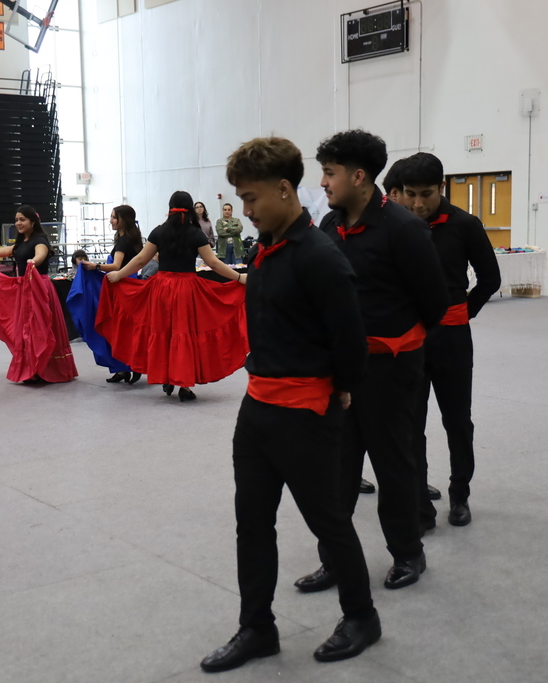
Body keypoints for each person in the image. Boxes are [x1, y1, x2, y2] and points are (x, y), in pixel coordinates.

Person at [200, 137, 379, 673]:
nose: (246, 211)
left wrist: (338, 389)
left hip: (305, 413)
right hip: (256, 412)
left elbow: (352, 339)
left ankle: (361, 616)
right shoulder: (267, 249)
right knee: (251, 523)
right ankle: (257, 627)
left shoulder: (320, 257)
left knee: (329, 521)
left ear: (284, 189)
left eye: (252, 199)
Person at [294, 130, 448, 594]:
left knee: (393, 464)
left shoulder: (403, 229)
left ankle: (407, 553)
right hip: (339, 372)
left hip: (390, 370)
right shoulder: (328, 229)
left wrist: (396, 345)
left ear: (358, 176)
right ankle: (337, 559)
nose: (322, 183)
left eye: (329, 172)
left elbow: (434, 304)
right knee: (337, 470)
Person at [399, 153, 502, 528]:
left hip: (452, 338)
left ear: (441, 188)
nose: (418, 203)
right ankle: (418, 492)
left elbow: (490, 278)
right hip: (409, 340)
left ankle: (460, 494)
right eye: (410, 194)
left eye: (426, 194)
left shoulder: (465, 225)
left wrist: (463, 312)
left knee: (457, 420)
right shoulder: (401, 226)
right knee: (412, 422)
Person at [97, 190, 247, 402]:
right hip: (188, 289)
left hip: (161, 289)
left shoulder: (159, 231)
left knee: (164, 332)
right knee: (184, 333)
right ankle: (184, 386)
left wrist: (119, 275)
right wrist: (239, 278)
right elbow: (213, 263)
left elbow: (141, 259)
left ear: (170, 208)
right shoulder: (196, 234)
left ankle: (166, 375)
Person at [0, 205, 78, 384]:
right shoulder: (23, 240)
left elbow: (41, 253)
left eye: (22, 220)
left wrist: (34, 261)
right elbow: (10, 250)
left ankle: (45, 368)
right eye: (16, 220)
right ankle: (33, 368)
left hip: (39, 287)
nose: (18, 223)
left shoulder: (40, 239)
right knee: (27, 328)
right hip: (26, 287)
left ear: (33, 221)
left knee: (40, 327)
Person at [71, 205, 144, 383]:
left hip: (122, 288)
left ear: (122, 220)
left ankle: (127, 366)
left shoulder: (123, 241)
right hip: (129, 286)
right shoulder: (130, 239)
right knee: (124, 330)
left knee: (118, 330)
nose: (110, 220)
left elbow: (116, 266)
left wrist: (95, 267)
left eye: (114, 217)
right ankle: (124, 367)